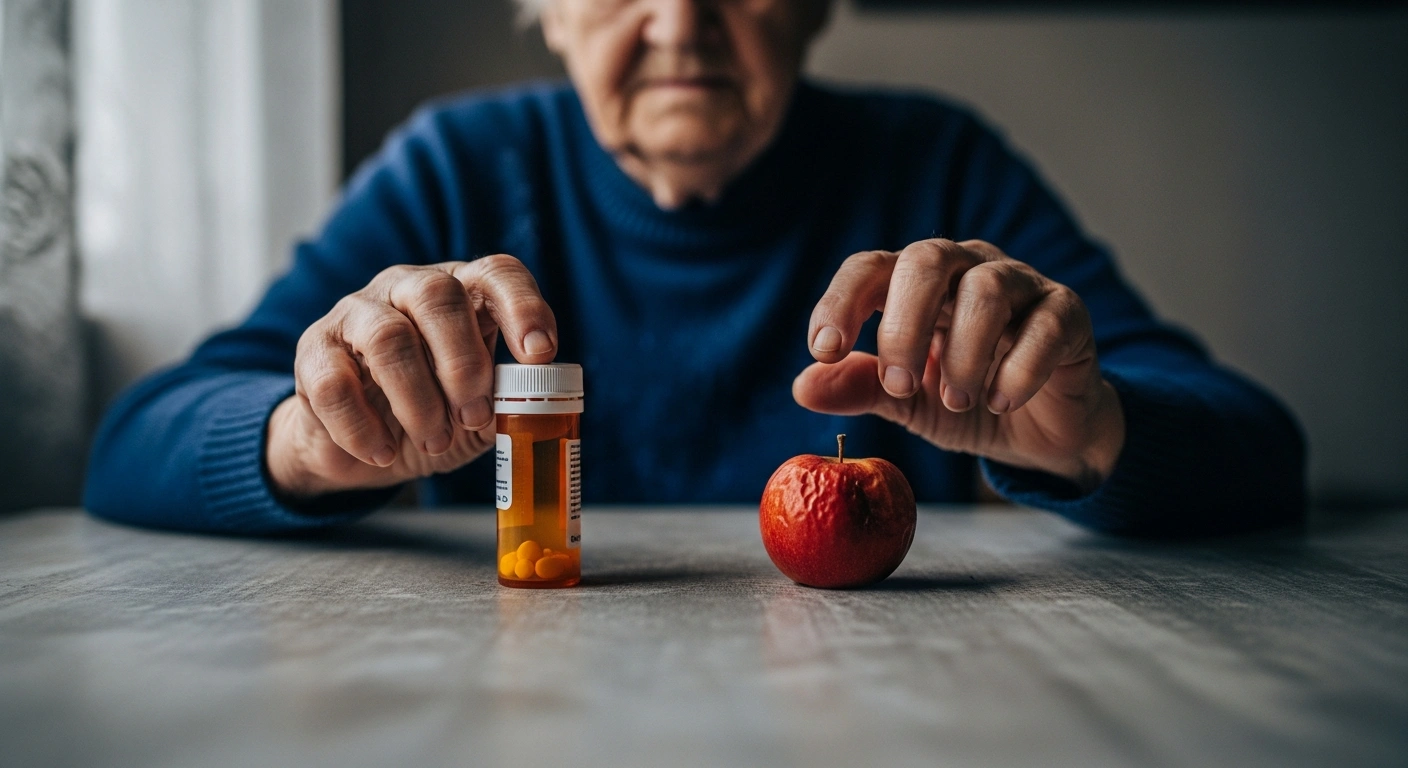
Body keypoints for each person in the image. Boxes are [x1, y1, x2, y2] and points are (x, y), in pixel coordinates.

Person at [84, 0, 1304, 537]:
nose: (679, 21)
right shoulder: (458, 165)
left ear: (818, 4)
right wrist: (313, 436)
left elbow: (1257, 444)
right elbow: (137, 441)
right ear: (545, 8)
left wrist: (1093, 430)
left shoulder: (929, 162)